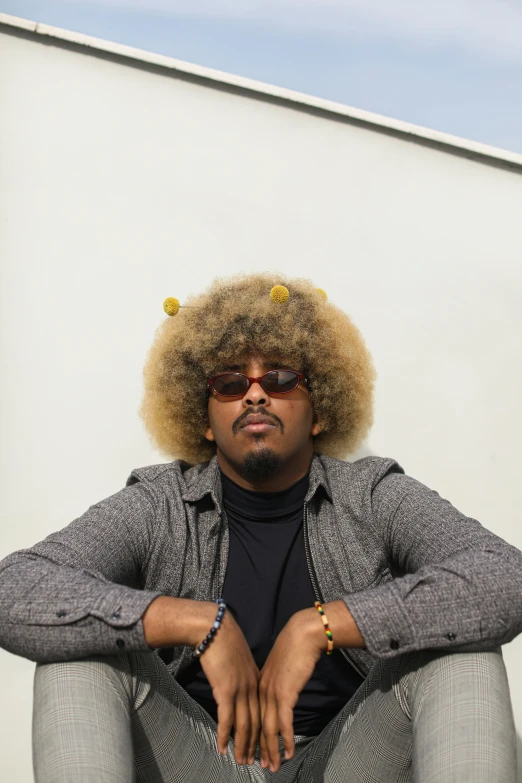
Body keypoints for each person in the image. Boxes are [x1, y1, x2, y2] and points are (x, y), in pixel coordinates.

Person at [0, 272, 521, 783]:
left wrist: (321, 625)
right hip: (202, 763)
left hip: (347, 761)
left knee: (462, 654)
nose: (254, 395)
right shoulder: (159, 505)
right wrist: (194, 622)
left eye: (279, 377)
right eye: (229, 382)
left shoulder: (372, 496)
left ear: (319, 410)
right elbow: (15, 588)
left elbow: (505, 577)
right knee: (78, 655)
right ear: (203, 420)